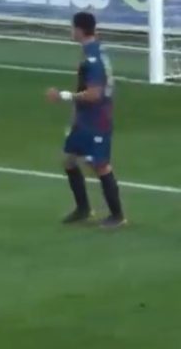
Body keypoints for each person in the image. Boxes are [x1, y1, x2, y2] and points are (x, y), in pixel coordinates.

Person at [45, 12, 126, 228]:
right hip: (84, 118)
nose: (71, 31)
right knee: (69, 160)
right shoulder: (94, 51)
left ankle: (117, 215)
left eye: (73, 28)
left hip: (96, 119)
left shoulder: (93, 58)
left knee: (99, 165)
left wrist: (63, 96)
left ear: (80, 30)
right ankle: (83, 209)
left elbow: (94, 94)